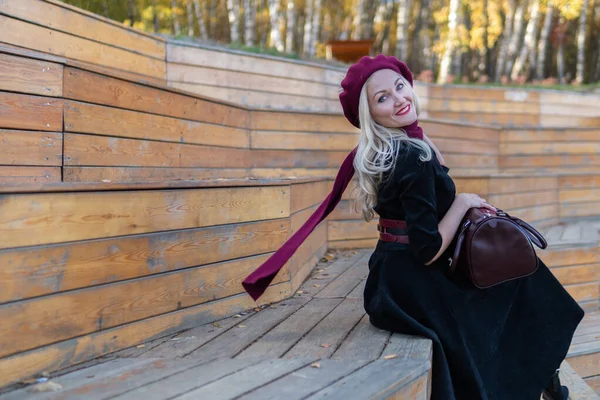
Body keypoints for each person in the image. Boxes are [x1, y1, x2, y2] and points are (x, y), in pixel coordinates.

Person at [242, 55, 584, 400]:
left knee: (514, 278)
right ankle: (539, 378)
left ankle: (543, 377)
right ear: (370, 114)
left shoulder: (396, 147)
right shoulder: (412, 156)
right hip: (415, 281)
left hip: (390, 278)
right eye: (383, 98)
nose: (399, 98)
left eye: (400, 87)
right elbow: (427, 248)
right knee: (519, 282)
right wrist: (464, 201)